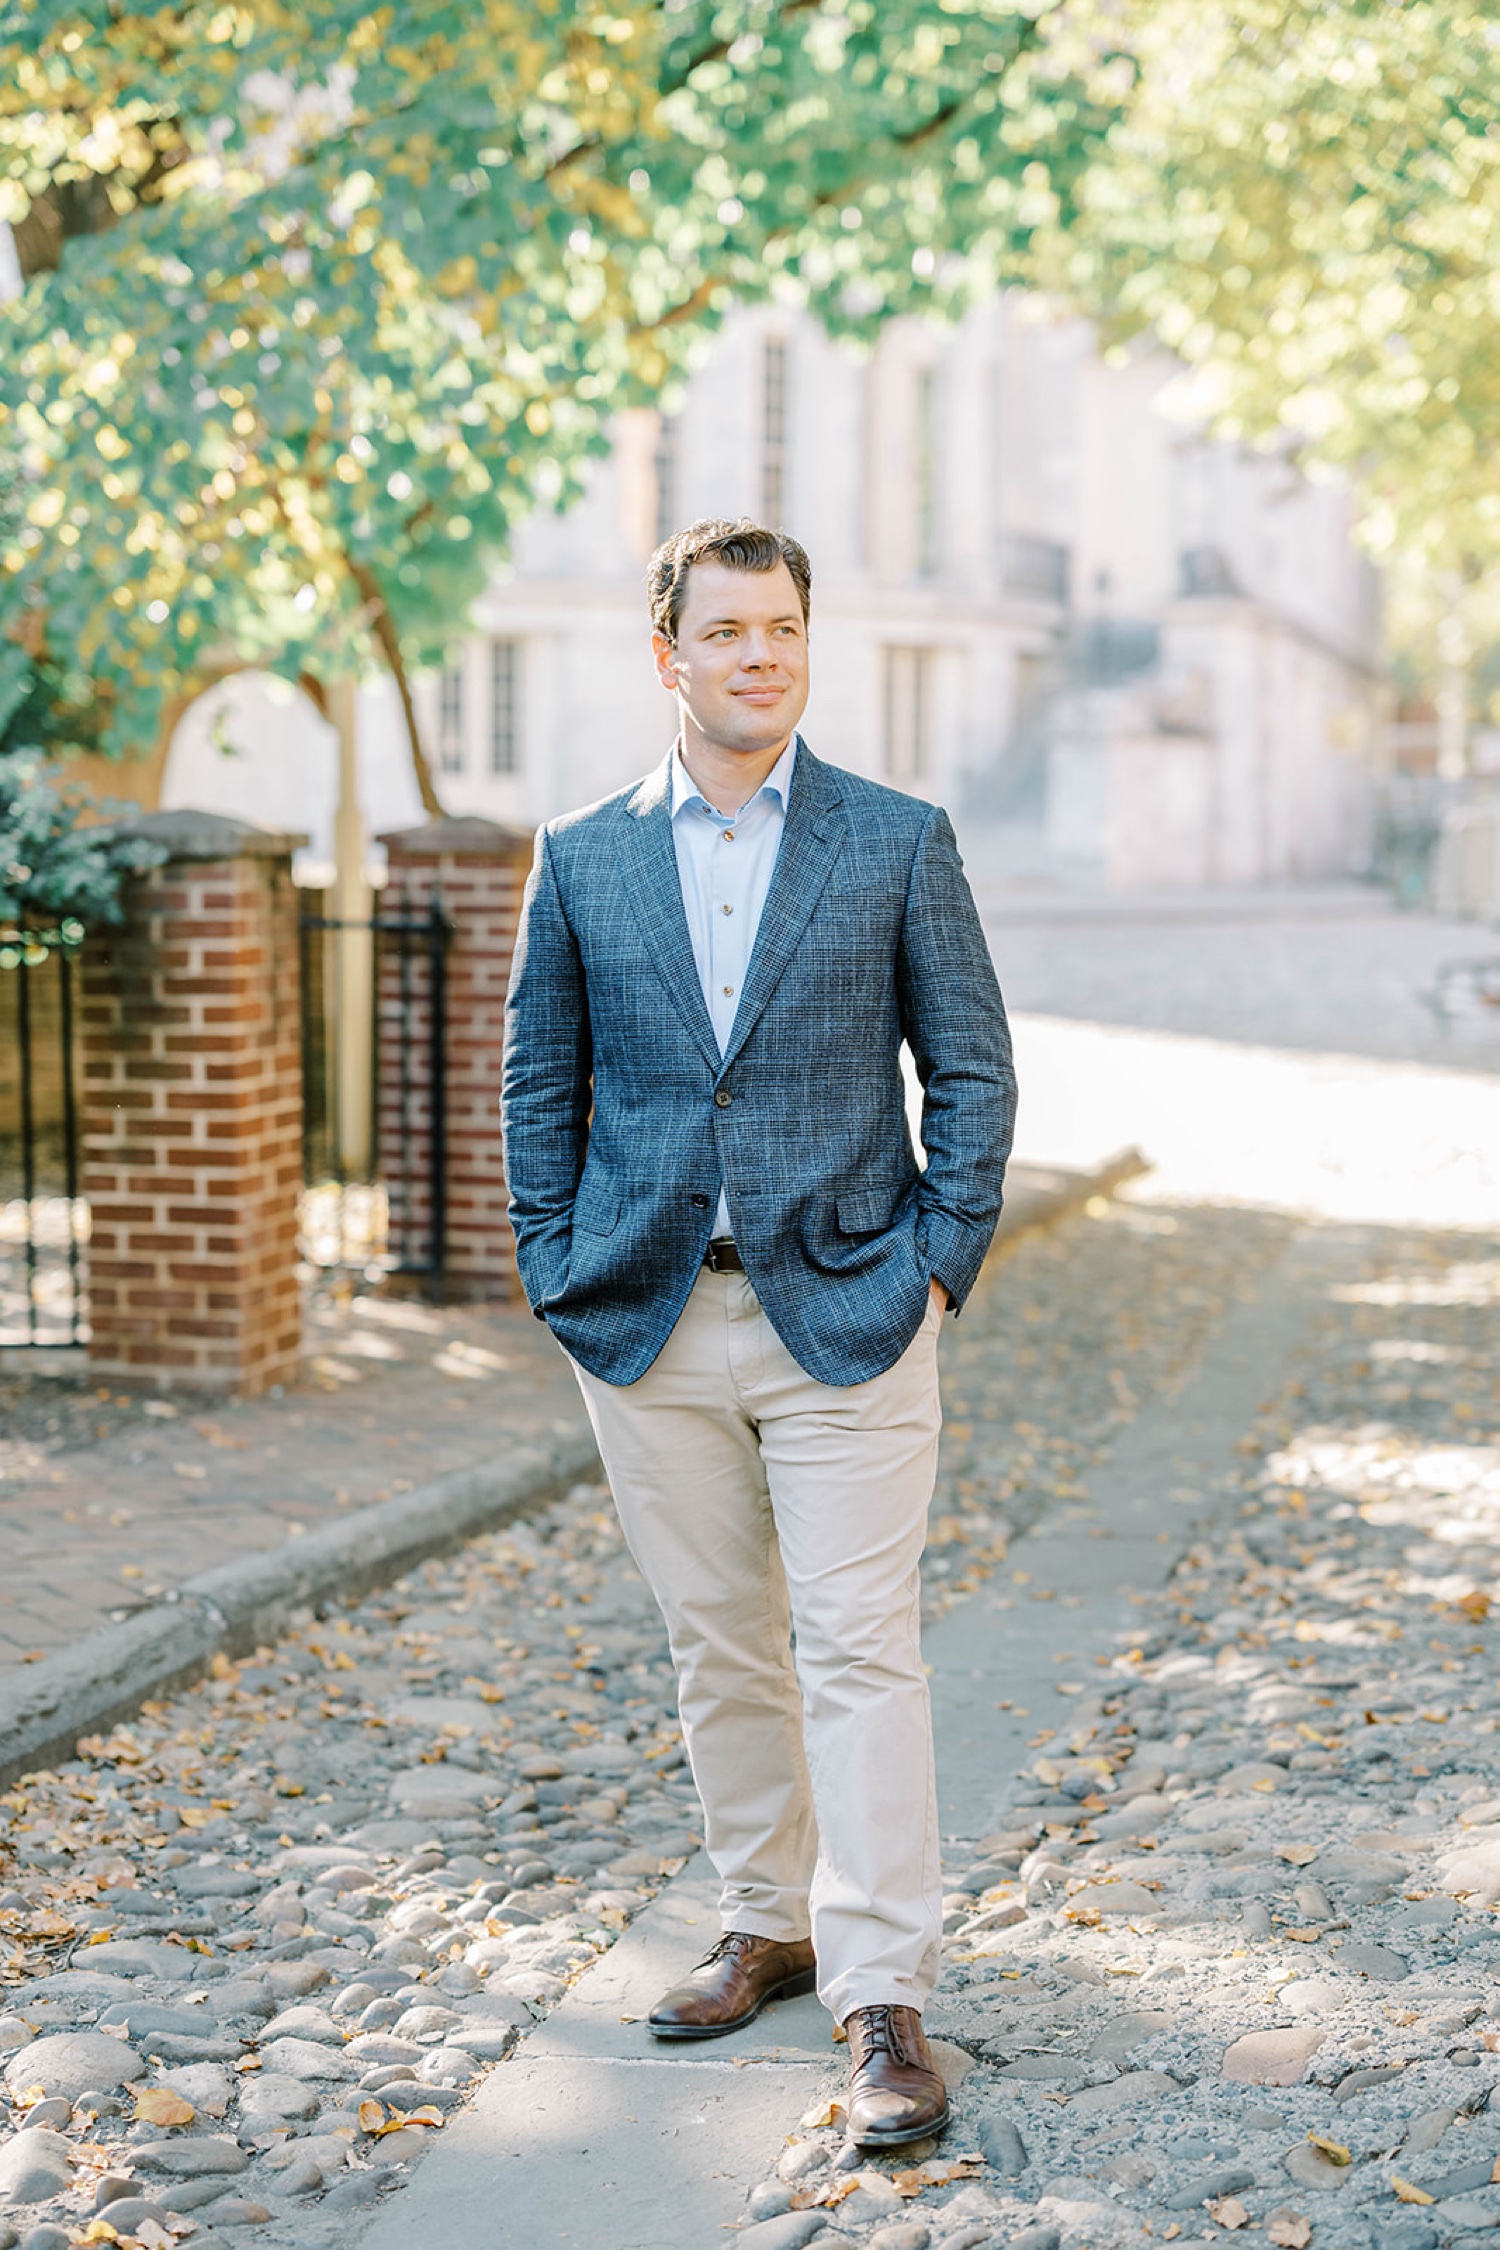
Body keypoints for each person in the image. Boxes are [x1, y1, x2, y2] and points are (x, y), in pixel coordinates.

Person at [501, 517, 1015, 2148]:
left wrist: (935, 1258)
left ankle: (881, 1997)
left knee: (860, 1652)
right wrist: (552, 1264)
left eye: (782, 627)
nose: (760, 656)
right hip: (647, 1319)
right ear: (670, 658)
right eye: (726, 633)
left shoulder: (895, 839)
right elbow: (537, 1078)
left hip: (851, 1311)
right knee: (718, 1643)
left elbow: (976, 1072)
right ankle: (765, 1920)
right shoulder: (581, 854)